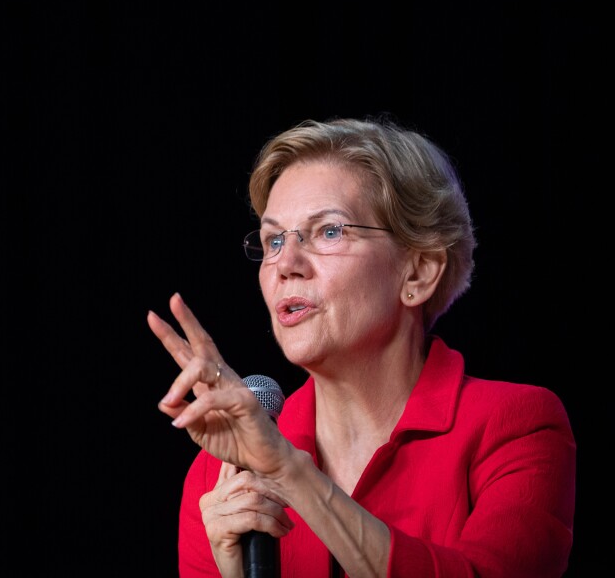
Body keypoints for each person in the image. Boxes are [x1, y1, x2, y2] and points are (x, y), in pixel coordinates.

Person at [147, 116, 576, 577]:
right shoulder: (220, 474)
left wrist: (293, 475)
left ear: (419, 272)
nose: (285, 264)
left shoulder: (516, 426)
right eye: (274, 239)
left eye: (329, 231)